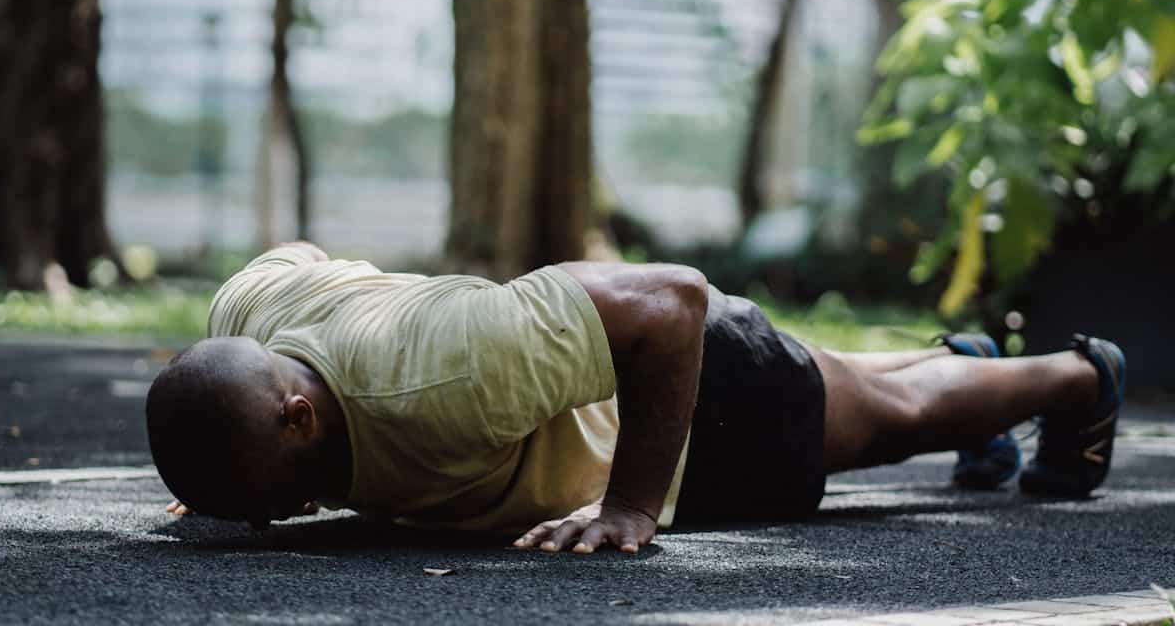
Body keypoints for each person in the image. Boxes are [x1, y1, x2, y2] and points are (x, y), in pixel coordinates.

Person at [146, 242, 1126, 554]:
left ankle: (1080, 377)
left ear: (298, 413)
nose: (289, 513)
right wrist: (225, 472)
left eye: (287, 496)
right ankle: (958, 361)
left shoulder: (443, 376)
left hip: (702, 403)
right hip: (582, 359)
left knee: (896, 417)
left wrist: (631, 503)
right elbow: (301, 263)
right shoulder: (251, 312)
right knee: (882, 389)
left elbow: (673, 300)